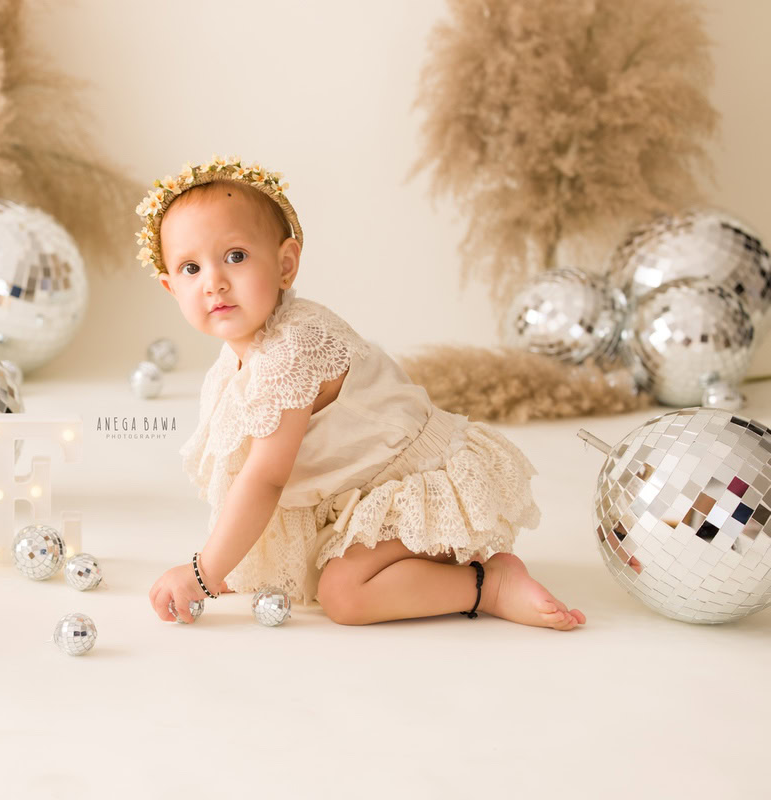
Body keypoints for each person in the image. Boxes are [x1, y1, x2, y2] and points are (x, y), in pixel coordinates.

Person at [142, 155, 586, 630]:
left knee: (344, 594)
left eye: (235, 256)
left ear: (285, 264)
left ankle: (488, 584)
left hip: (411, 488)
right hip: (351, 498)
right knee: (310, 576)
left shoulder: (293, 348)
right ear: (171, 288)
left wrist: (204, 571)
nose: (214, 283)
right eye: (191, 268)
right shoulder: (233, 364)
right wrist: (233, 562)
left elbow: (265, 478)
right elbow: (245, 476)